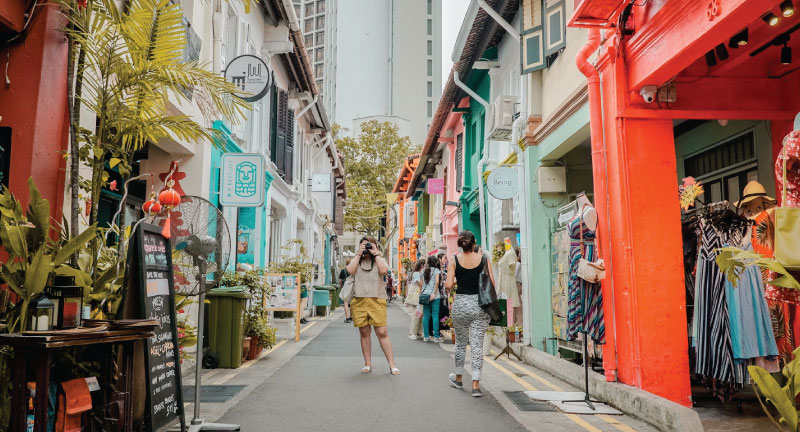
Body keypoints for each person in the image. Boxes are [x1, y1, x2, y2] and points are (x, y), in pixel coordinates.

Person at [445, 231, 494, 397]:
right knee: (477, 345)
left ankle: (458, 378)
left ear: (460, 244)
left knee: (460, 343)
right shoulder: (484, 259)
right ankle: (475, 384)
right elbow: (492, 283)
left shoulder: (454, 260)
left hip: (461, 305)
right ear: (474, 243)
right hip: (480, 306)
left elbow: (449, 284)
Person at [347, 236, 400, 375]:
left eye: (369, 245)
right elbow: (350, 270)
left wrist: (375, 254)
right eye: (364, 246)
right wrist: (358, 254)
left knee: (382, 332)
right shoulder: (357, 260)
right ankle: (367, 363)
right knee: (364, 333)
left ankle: (392, 364)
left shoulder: (379, 260)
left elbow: (383, 271)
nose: (367, 248)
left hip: (377, 299)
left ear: (375, 246)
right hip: (359, 300)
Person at [420, 255, 443, 343]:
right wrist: (433, 293)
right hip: (435, 295)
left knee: (426, 315)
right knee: (435, 315)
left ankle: (426, 336)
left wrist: (421, 294)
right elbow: (437, 282)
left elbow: (421, 284)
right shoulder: (437, 270)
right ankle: (436, 336)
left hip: (425, 295)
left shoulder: (423, 271)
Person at [407, 260, 425, 339]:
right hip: (417, 295)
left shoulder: (418, 273)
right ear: (421, 265)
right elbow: (420, 284)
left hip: (418, 295)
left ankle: (418, 332)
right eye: (424, 264)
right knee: (417, 314)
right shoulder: (417, 273)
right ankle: (412, 333)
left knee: (420, 314)